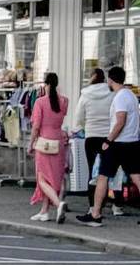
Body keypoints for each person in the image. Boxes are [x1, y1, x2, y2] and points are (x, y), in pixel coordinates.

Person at [79, 66, 140, 226]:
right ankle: (96, 213)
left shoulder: (120, 97)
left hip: (119, 143)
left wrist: (108, 140)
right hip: (132, 142)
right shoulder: (131, 95)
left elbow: (120, 121)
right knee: (136, 177)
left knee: (102, 176)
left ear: (111, 80)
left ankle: (96, 214)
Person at [74, 68, 121, 214]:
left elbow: (79, 117)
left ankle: (92, 206)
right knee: (112, 172)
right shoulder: (112, 94)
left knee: (93, 173)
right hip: (109, 138)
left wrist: (85, 126)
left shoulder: (85, 95)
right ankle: (116, 205)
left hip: (91, 137)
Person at [28, 72, 70, 223]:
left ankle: (59, 205)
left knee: (42, 179)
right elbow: (60, 117)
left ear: (45, 84)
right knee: (53, 178)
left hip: (44, 143)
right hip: (59, 142)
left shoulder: (40, 102)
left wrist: (31, 143)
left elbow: (36, 126)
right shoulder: (65, 101)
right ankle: (44, 211)